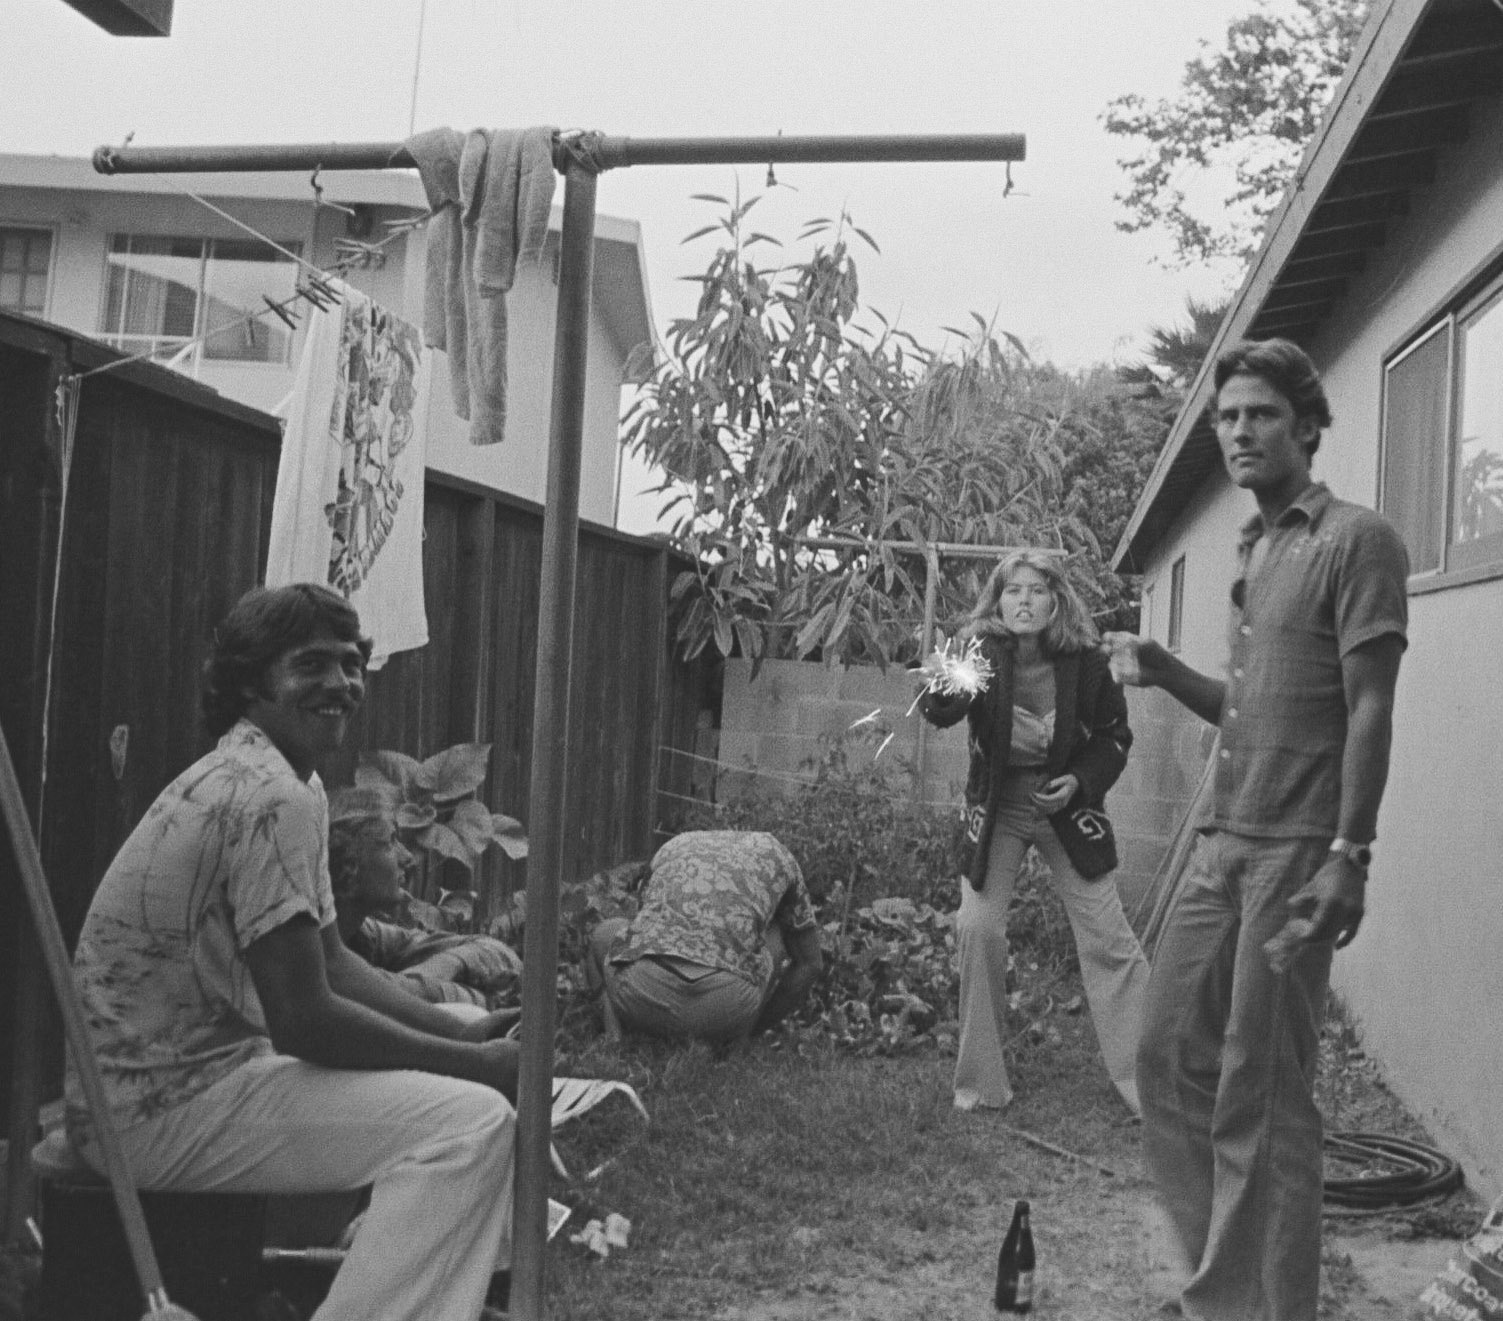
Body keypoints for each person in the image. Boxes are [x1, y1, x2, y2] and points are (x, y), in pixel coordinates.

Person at [66, 583, 520, 1321]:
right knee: (472, 1124)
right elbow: (304, 1021)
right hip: (155, 1110)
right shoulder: (269, 794)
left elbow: (333, 962)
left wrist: (462, 1033)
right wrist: (476, 1066)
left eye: (350, 664)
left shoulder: (280, 779)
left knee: (464, 1067)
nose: (340, 683)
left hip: (188, 1078)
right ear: (251, 683)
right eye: (310, 664)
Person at [1105, 338, 1408, 1321]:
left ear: (1307, 427)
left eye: (1261, 414)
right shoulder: (1254, 548)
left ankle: (1268, 1311)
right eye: (1227, 416)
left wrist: (1349, 854)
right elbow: (1245, 704)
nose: (1239, 431)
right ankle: (1226, 1291)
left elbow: (1369, 706)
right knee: (1163, 1059)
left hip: (1295, 852)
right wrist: (1162, 666)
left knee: (1265, 1094)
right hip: (1218, 844)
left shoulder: (1355, 541)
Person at [918, 550, 1149, 1114]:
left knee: (1109, 938)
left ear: (1056, 602)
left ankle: (1151, 1084)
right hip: (999, 808)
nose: (1023, 601)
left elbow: (1115, 738)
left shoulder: (1087, 662)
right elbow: (942, 709)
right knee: (977, 928)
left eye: (1036, 590)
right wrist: (941, 683)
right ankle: (981, 1085)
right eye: (1012, 590)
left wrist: (1079, 781)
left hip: (1065, 810)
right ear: (998, 601)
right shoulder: (980, 652)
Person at [586, 830, 823, 1044]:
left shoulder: (673, 846)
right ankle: (739, 1040)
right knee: (778, 933)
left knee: (606, 932)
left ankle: (615, 1041)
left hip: (642, 997)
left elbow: (641, 928)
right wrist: (756, 1026)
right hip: (726, 1008)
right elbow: (811, 964)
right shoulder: (778, 856)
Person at [328, 787, 524, 1018]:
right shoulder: (313, 955)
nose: (407, 857)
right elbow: (381, 994)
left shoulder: (365, 934)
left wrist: (446, 964)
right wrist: (479, 1000)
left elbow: (498, 952)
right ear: (347, 866)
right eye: (390, 842)